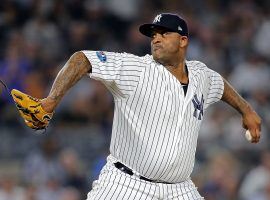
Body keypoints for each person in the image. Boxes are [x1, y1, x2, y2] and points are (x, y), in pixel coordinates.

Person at [16, 13, 262, 199]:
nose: (156, 38)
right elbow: (82, 58)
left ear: (183, 41)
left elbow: (220, 84)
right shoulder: (136, 68)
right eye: (153, 34)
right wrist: (51, 101)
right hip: (125, 185)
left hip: (179, 189)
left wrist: (247, 110)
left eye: (164, 33)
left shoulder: (201, 75)